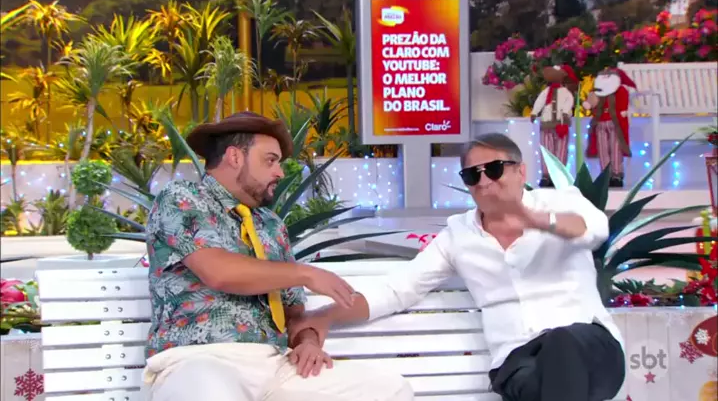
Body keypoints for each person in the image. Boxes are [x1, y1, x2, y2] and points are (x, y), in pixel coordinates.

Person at [289, 132, 626, 401]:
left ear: (520, 171)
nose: (484, 181)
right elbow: (397, 290)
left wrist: (537, 220)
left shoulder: (561, 201)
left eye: (494, 169)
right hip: (519, 364)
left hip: (590, 349)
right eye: (472, 175)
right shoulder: (458, 235)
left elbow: (594, 230)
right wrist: (325, 316)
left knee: (562, 345)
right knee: (544, 380)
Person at [142, 111, 413, 401]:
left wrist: (307, 341)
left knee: (388, 389)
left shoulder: (270, 225)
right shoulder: (182, 198)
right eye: (270, 160)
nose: (280, 173)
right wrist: (305, 273)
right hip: (198, 361)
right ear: (235, 157)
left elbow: (293, 314)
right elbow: (218, 272)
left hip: (273, 366)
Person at [583, 68, 637, 188]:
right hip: (600, 123)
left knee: (616, 148)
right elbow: (591, 102)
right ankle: (606, 174)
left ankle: (616, 174)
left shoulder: (621, 90)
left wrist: (623, 112)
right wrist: (589, 103)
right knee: (603, 149)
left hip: (615, 123)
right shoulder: (597, 92)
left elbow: (623, 102)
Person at [530, 64, 578, 187]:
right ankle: (546, 176)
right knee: (547, 150)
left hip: (561, 124)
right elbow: (540, 101)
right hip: (546, 124)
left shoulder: (565, 92)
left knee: (561, 150)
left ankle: (560, 175)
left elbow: (569, 102)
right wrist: (534, 112)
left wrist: (566, 113)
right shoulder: (546, 92)